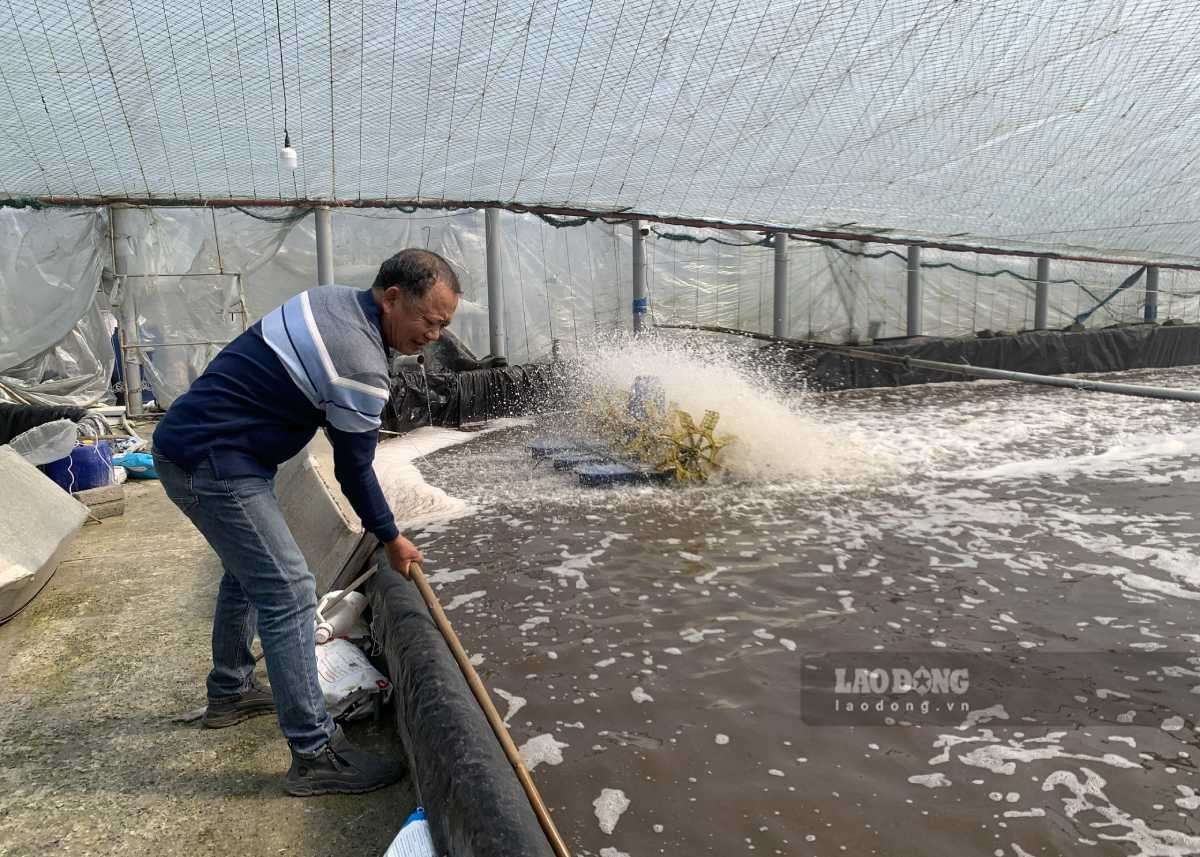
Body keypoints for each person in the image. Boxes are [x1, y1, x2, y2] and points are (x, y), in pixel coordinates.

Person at [152, 249, 460, 796]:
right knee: (290, 590)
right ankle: (315, 754)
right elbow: (354, 469)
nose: (435, 336)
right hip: (213, 461)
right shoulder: (360, 364)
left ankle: (229, 691)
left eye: (444, 325)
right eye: (430, 321)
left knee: (248, 574)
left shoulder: (331, 300)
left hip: (210, 445)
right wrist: (391, 537)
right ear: (393, 298)